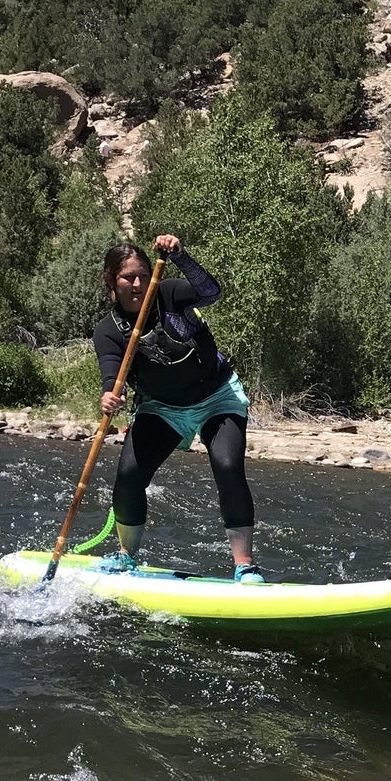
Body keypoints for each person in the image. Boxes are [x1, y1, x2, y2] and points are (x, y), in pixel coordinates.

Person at [92, 234, 265, 582]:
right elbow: (112, 374)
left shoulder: (169, 294)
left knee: (227, 465)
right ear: (112, 281)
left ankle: (245, 565)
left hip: (217, 396)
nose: (138, 284)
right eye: (128, 278)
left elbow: (211, 292)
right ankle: (126, 556)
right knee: (129, 475)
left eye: (142, 275)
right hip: (163, 408)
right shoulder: (108, 331)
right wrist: (110, 395)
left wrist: (181, 257)